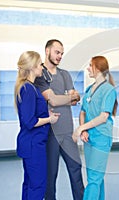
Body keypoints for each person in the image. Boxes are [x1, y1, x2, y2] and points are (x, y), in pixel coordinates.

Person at [34, 39, 84, 200]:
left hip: (68, 132)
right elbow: (53, 100)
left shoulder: (64, 74)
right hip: (51, 133)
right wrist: (67, 97)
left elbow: (76, 97)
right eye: (57, 52)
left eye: (62, 53)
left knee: (76, 169)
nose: (60, 56)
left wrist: (67, 97)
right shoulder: (39, 74)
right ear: (47, 51)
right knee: (51, 175)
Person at [14, 51, 60, 200]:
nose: (42, 67)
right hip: (33, 145)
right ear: (33, 67)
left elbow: (31, 114)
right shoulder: (28, 89)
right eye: (40, 64)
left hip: (31, 143)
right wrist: (50, 119)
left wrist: (46, 113)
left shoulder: (29, 87)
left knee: (29, 183)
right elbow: (29, 122)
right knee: (38, 185)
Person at [72, 56, 117, 200]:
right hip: (89, 138)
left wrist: (80, 129)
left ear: (98, 68)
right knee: (96, 177)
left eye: (90, 65)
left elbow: (103, 117)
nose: (88, 68)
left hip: (101, 138)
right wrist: (83, 129)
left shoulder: (109, 90)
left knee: (93, 179)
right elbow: (83, 111)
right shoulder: (89, 89)